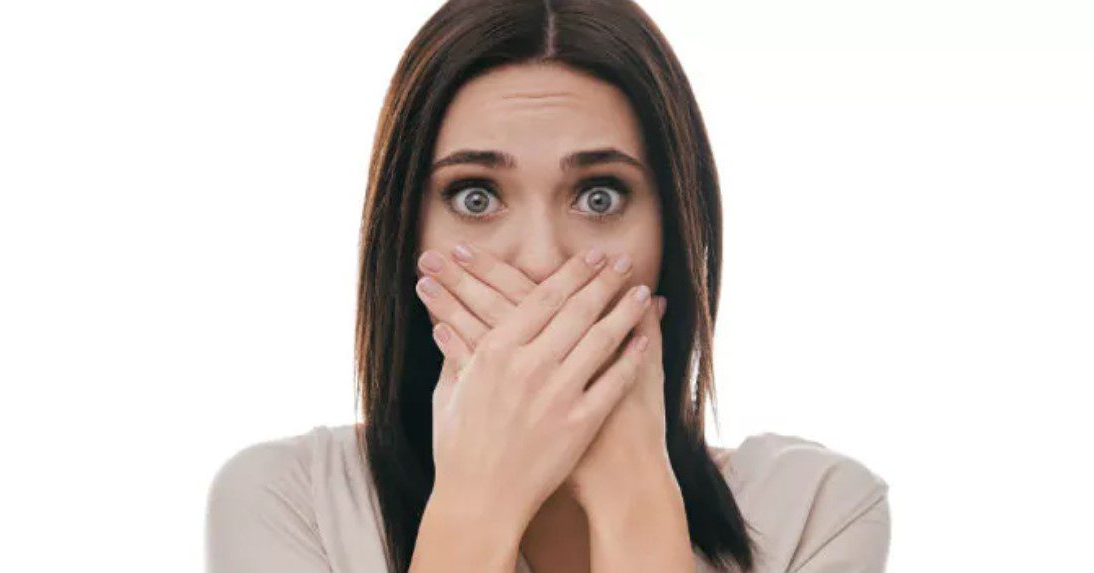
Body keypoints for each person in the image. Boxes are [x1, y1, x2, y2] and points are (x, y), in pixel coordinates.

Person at [205, 1, 891, 571]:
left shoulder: (814, 510)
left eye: (598, 196)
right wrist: (477, 504)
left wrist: (634, 494)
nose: (540, 260)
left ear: (676, 233)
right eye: (475, 197)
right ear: (406, 235)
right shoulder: (286, 500)